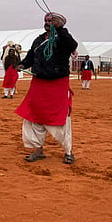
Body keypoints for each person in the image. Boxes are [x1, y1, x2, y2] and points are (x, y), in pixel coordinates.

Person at [14, 12, 78, 164]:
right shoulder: (38, 40)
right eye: (47, 20)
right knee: (34, 117)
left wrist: (61, 29)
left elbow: (71, 46)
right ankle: (38, 150)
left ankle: (68, 152)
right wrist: (23, 63)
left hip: (57, 84)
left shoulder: (63, 38)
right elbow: (31, 55)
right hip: (38, 83)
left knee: (61, 118)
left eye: (52, 20)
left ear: (60, 23)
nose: (48, 22)